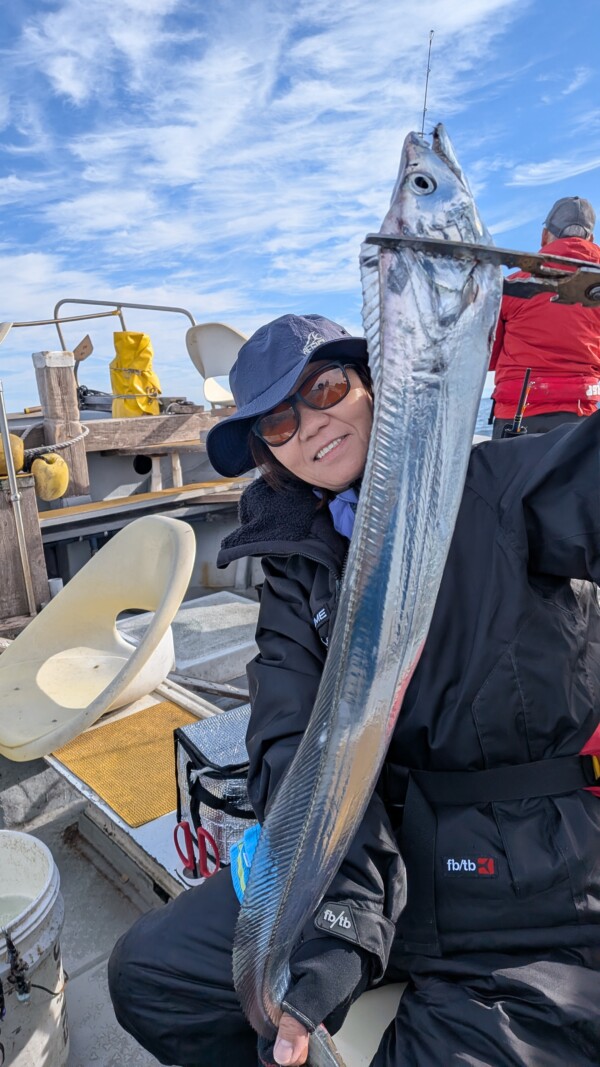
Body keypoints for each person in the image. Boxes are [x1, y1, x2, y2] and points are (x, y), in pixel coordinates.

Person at [108, 313, 600, 1067]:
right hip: (375, 855)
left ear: (376, 385)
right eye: (278, 419)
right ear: (268, 450)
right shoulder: (294, 563)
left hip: (525, 889)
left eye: (326, 386)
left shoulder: (499, 487)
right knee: (152, 974)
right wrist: (341, 917)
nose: (310, 424)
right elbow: (288, 739)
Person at [490, 196, 600, 438]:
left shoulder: (513, 286)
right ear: (590, 239)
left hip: (517, 412)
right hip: (583, 416)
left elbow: (488, 356)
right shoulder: (596, 289)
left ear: (544, 236)